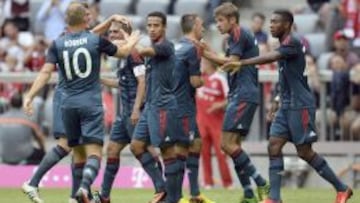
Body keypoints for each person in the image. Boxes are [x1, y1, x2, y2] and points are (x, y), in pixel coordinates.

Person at [222, 9, 353, 203]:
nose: (271, 25)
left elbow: (269, 58)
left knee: (305, 152)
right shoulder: (284, 45)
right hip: (286, 105)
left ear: (287, 25)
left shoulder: (293, 42)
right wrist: (276, 101)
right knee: (274, 145)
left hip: (300, 106)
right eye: (271, 22)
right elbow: (285, 78)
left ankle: (342, 189)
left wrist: (242, 63)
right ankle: (274, 198)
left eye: (276, 22)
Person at [22, 3, 140, 203]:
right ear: (85, 19)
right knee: (94, 152)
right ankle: (84, 189)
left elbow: (45, 73)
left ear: (66, 21)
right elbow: (124, 52)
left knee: (73, 149)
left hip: (67, 104)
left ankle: (56, 191)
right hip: (90, 103)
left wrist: (30, 96)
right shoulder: (95, 41)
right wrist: (135, 37)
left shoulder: (57, 43)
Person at [199, 3, 270, 203]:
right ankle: (248, 194)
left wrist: (206, 54)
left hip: (243, 95)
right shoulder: (236, 37)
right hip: (242, 94)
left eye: (221, 20)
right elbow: (232, 65)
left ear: (232, 20)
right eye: (217, 20)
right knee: (234, 145)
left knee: (226, 144)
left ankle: (260, 181)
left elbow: (232, 64)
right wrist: (210, 52)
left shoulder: (238, 34)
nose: (218, 25)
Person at [93, 20, 161, 203]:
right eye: (110, 32)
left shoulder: (133, 53)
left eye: (116, 32)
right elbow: (122, 83)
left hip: (133, 111)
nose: (111, 36)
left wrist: (136, 110)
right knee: (113, 149)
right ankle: (104, 196)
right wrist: (99, 79)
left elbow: (142, 82)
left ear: (126, 34)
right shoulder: (121, 57)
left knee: (141, 148)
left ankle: (162, 188)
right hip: (123, 114)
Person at [130, 11, 179, 203]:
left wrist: (128, 40)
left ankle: (172, 198)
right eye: (149, 25)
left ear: (164, 28)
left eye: (156, 25)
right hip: (151, 106)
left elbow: (142, 52)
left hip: (163, 106)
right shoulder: (153, 48)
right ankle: (161, 187)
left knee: (167, 151)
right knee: (136, 146)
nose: (151, 29)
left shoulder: (166, 46)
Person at [172, 14, 214, 203]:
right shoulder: (192, 49)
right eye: (201, 25)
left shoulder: (176, 45)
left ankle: (195, 194)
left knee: (196, 143)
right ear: (194, 26)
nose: (203, 28)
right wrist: (208, 74)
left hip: (177, 103)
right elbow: (195, 82)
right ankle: (177, 196)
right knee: (181, 149)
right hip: (183, 106)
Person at [196, 57, 233, 190]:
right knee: (204, 153)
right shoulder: (199, 79)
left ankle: (227, 183)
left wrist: (218, 105)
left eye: (204, 63)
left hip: (217, 122)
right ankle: (207, 182)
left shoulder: (220, 79)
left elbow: (230, 98)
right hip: (201, 121)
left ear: (210, 64)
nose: (202, 65)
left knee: (221, 153)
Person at [0, 93, 45, 165]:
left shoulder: (1, 119)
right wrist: (43, 149)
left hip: (3, 154)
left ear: (10, 104)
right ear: (22, 104)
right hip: (24, 154)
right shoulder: (29, 120)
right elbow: (39, 137)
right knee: (42, 155)